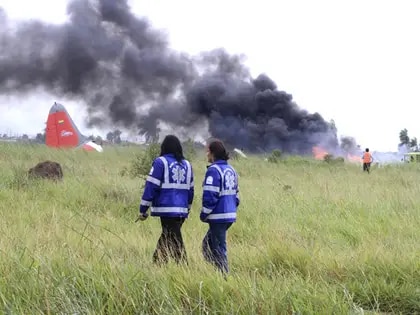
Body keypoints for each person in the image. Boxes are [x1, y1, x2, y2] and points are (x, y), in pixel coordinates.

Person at [137, 135, 194, 265]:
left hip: (166, 209)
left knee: (172, 236)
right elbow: (191, 189)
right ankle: (159, 263)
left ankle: (182, 265)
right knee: (169, 235)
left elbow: (151, 186)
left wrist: (143, 208)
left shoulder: (160, 162)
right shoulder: (187, 165)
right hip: (182, 210)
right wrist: (188, 207)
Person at [200, 139, 240, 275]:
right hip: (229, 216)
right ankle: (217, 272)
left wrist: (204, 214)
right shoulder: (231, 170)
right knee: (208, 245)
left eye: (207, 152)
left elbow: (210, 196)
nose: (206, 155)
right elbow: (237, 196)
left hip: (218, 217)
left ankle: (223, 275)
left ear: (212, 153)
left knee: (217, 248)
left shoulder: (213, 170)